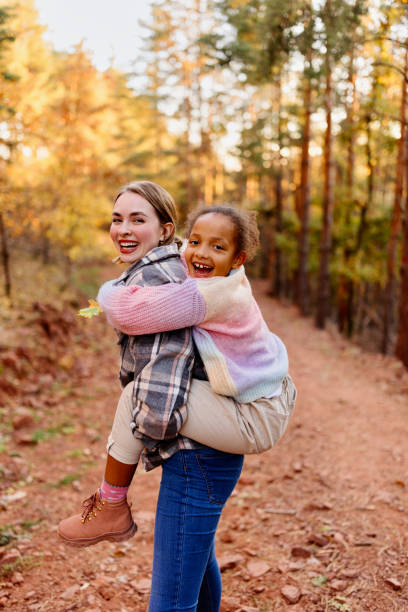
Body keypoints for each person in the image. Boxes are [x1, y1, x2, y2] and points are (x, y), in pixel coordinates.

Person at [58, 190, 294, 611]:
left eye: (218, 247)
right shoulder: (193, 278)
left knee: (135, 398)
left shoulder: (208, 293)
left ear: (238, 259)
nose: (201, 253)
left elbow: (128, 313)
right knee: (196, 567)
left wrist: (109, 291)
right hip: (252, 404)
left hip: (253, 417)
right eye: (196, 241)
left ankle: (111, 503)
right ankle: (111, 503)